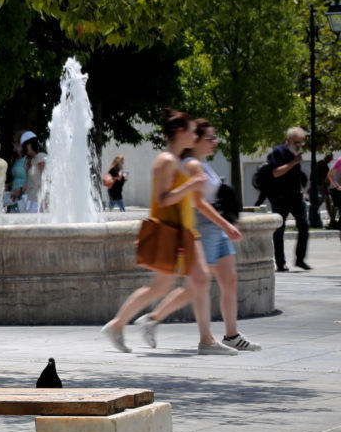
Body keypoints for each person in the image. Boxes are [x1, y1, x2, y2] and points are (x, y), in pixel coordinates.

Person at [101, 109, 237, 355]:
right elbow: (162, 200)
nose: (196, 136)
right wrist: (191, 185)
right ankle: (118, 324)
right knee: (163, 287)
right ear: (181, 132)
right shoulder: (165, 161)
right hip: (170, 230)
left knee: (199, 279)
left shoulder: (174, 160)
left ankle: (206, 340)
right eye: (193, 131)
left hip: (184, 230)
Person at [133, 120, 257, 352]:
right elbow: (198, 203)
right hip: (204, 226)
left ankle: (232, 335)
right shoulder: (190, 164)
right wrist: (226, 225)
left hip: (216, 227)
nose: (215, 142)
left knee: (228, 280)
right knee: (197, 285)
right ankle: (154, 318)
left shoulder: (203, 164)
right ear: (196, 140)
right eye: (210, 138)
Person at [266, 127, 310, 272]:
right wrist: (293, 163)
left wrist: (303, 192)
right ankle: (280, 263)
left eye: (300, 143)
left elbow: (296, 177)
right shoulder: (278, 152)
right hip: (280, 197)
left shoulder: (296, 154)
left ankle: (300, 259)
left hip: (296, 196)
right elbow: (275, 172)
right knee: (279, 230)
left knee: (304, 225)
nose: (299, 145)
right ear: (288, 140)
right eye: (296, 142)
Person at [21, 131, 47, 213]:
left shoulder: (41, 157)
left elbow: (46, 178)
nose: (25, 149)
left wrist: (46, 199)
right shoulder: (32, 160)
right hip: (32, 199)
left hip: (40, 199)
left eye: (26, 146)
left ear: (30, 144)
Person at [7, 135, 29, 213]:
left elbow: (31, 181)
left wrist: (19, 190)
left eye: (15, 142)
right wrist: (8, 186)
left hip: (23, 196)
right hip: (14, 196)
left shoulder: (27, 160)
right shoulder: (14, 160)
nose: (13, 144)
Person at [316, 153, 336, 229]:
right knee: (325, 202)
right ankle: (331, 218)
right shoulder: (323, 164)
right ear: (327, 157)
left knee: (326, 202)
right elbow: (323, 177)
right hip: (322, 187)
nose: (331, 160)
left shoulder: (320, 163)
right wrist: (326, 188)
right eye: (330, 158)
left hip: (321, 186)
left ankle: (331, 218)